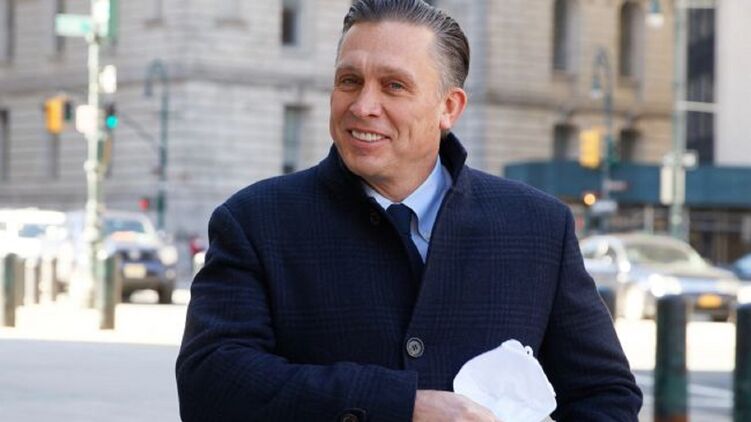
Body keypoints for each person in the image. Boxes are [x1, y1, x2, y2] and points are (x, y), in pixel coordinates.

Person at [176, 1, 643, 421]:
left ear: (449, 108)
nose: (363, 106)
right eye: (349, 81)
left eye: (394, 86)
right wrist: (402, 406)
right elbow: (210, 385)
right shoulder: (255, 221)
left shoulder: (537, 227)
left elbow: (605, 395)